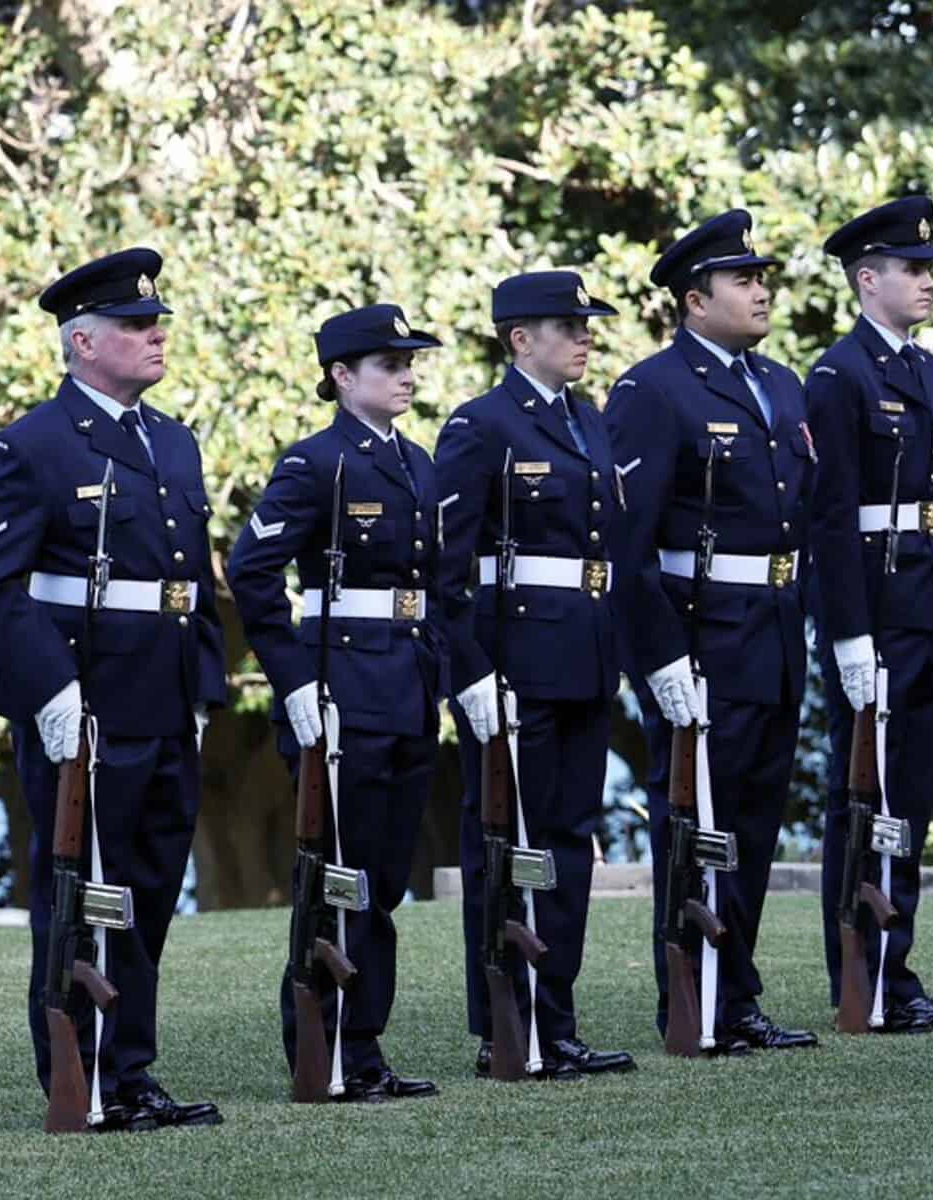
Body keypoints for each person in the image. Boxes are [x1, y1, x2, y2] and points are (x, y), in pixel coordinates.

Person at [0, 248, 227, 1132]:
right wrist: (52, 691)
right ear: (82, 343)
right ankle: (80, 1077)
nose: (155, 337)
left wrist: (205, 688)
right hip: (85, 706)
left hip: (162, 700)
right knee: (79, 896)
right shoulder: (31, 444)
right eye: (135, 326)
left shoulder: (175, 441)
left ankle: (135, 1070)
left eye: (156, 323)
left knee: (148, 894)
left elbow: (192, 583)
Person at [605, 210, 817, 1053]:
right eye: (743, 280)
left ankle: (738, 994)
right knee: (698, 823)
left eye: (761, 276)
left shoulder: (781, 384)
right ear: (695, 300)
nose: (761, 290)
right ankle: (694, 997)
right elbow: (628, 544)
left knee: (756, 821)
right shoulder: (653, 390)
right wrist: (659, 659)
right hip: (702, 636)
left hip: (773, 626)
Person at [227, 303, 445, 1103]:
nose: (406, 375)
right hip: (344, 687)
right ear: (342, 377)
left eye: (409, 362)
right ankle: (321, 1048)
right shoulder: (316, 464)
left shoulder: (419, 463)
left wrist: (447, 674)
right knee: (333, 873)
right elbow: (252, 570)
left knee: (383, 878)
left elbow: (435, 588)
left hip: (408, 684)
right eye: (389, 365)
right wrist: (293, 682)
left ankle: (367, 1045)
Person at [436, 270, 634, 1080]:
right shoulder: (480, 427)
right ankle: (505, 1026)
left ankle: (557, 1015)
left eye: (587, 324)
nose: (586, 335)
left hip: (584, 659)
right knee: (503, 846)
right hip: (515, 666)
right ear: (520, 339)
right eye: (568, 325)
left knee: (568, 844)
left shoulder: (589, 419)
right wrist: (471, 673)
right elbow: (447, 570)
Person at [806, 196, 933, 1033]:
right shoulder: (839, 377)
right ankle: (858, 965)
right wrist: (845, 631)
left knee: (911, 793)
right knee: (863, 791)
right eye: (912, 270)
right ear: (866, 279)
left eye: (928, 269)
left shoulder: (931, 373)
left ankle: (897, 969)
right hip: (872, 606)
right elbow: (830, 517)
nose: (925, 281)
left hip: (924, 603)